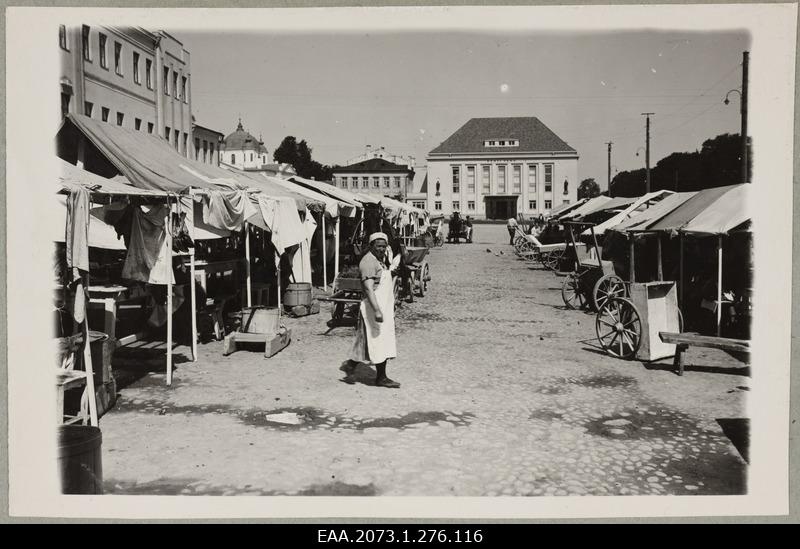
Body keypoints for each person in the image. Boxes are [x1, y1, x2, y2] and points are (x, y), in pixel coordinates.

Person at [340, 232, 400, 388]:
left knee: (376, 340)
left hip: (383, 306)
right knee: (377, 340)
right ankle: (380, 377)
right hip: (373, 307)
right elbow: (368, 288)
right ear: (371, 246)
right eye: (378, 246)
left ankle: (352, 365)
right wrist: (377, 310)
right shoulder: (367, 262)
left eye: (383, 246)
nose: (381, 249)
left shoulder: (379, 260)